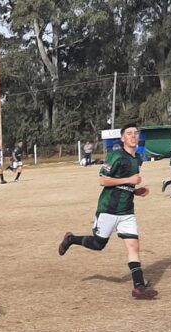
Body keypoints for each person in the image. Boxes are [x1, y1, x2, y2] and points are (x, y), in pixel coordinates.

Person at [57, 123, 157, 300]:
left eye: (136, 133)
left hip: (127, 211)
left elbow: (126, 184)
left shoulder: (138, 158)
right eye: (129, 133)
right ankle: (71, 239)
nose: (133, 136)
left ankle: (139, 287)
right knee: (98, 244)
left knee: (134, 246)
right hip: (108, 209)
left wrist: (135, 191)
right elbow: (103, 180)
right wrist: (129, 180)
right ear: (122, 138)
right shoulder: (115, 156)